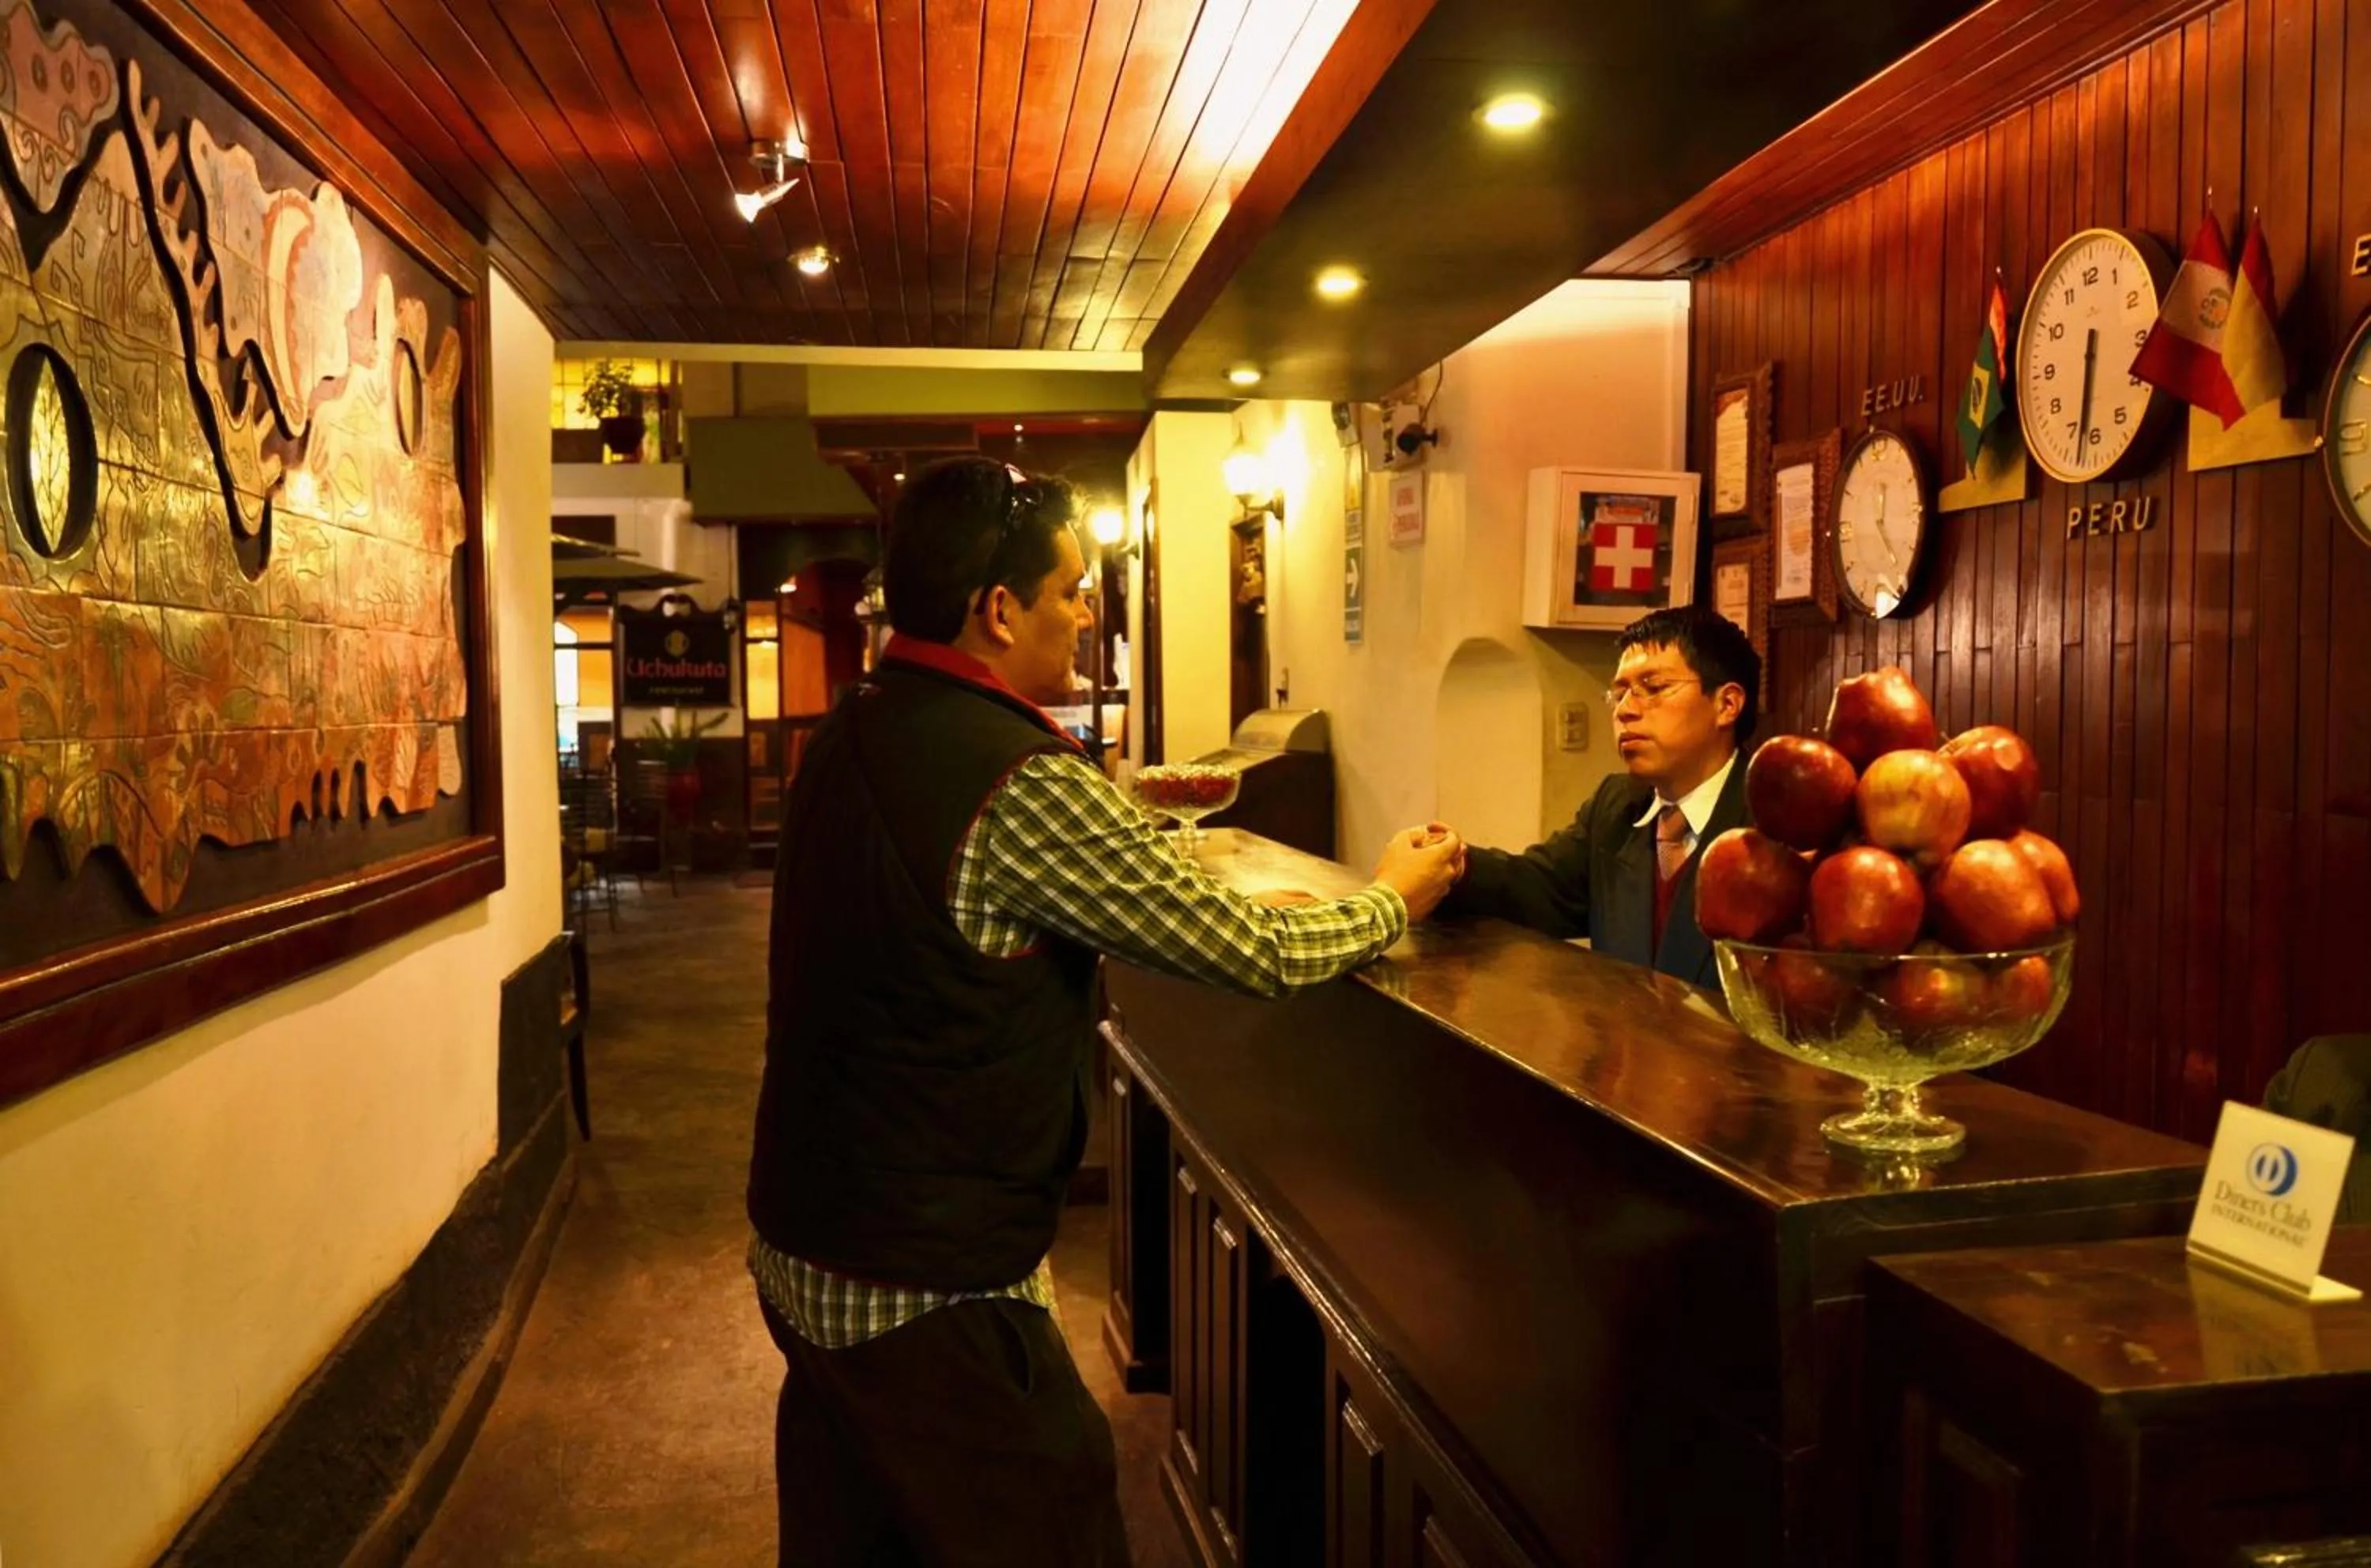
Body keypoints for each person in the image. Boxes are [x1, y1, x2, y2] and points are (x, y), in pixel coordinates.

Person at [744, 455, 1464, 1567]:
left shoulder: (856, 725)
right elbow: (1256, 952)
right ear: (998, 610)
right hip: (925, 1280)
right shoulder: (1017, 777)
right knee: (1055, 1525)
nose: (1088, 615)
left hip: (807, 1240)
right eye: (1073, 591)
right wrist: (1389, 901)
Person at [1435, 603, 1759, 986]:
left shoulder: (1772, 826)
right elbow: (1539, 888)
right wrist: (1453, 864)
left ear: (1727, 704)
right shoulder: (1617, 805)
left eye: (1654, 688)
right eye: (1619, 694)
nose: (1625, 711)